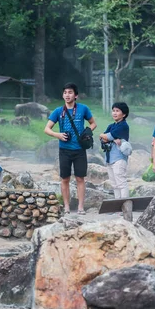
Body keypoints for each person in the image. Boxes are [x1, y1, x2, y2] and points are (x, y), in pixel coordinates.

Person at [44, 83, 97, 215]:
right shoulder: (58, 111)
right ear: (63, 95)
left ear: (76, 95)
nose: (67, 95)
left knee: (80, 178)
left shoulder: (83, 109)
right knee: (65, 179)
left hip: (79, 149)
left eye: (70, 92)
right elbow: (46, 129)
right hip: (64, 150)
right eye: (65, 92)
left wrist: (86, 133)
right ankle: (66, 207)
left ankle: (80, 207)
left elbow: (93, 123)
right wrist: (58, 135)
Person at [99, 102, 130, 199]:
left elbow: (108, 136)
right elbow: (102, 138)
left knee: (121, 183)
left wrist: (106, 137)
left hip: (119, 158)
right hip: (109, 158)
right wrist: (105, 137)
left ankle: (125, 206)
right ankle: (118, 207)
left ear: (124, 114)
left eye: (117, 111)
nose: (114, 113)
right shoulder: (111, 126)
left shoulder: (123, 126)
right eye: (113, 111)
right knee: (114, 185)